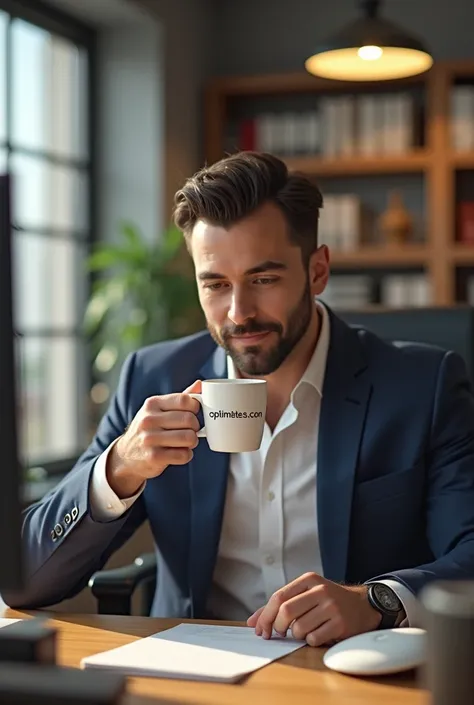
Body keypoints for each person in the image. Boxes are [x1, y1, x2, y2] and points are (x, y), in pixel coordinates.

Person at [4, 151, 474, 648]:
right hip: (195, 674)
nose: (238, 313)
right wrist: (119, 467)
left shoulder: (422, 384)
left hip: (350, 668)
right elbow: (27, 581)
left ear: (318, 271)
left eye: (263, 279)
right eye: (216, 285)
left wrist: (375, 601)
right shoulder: (153, 377)